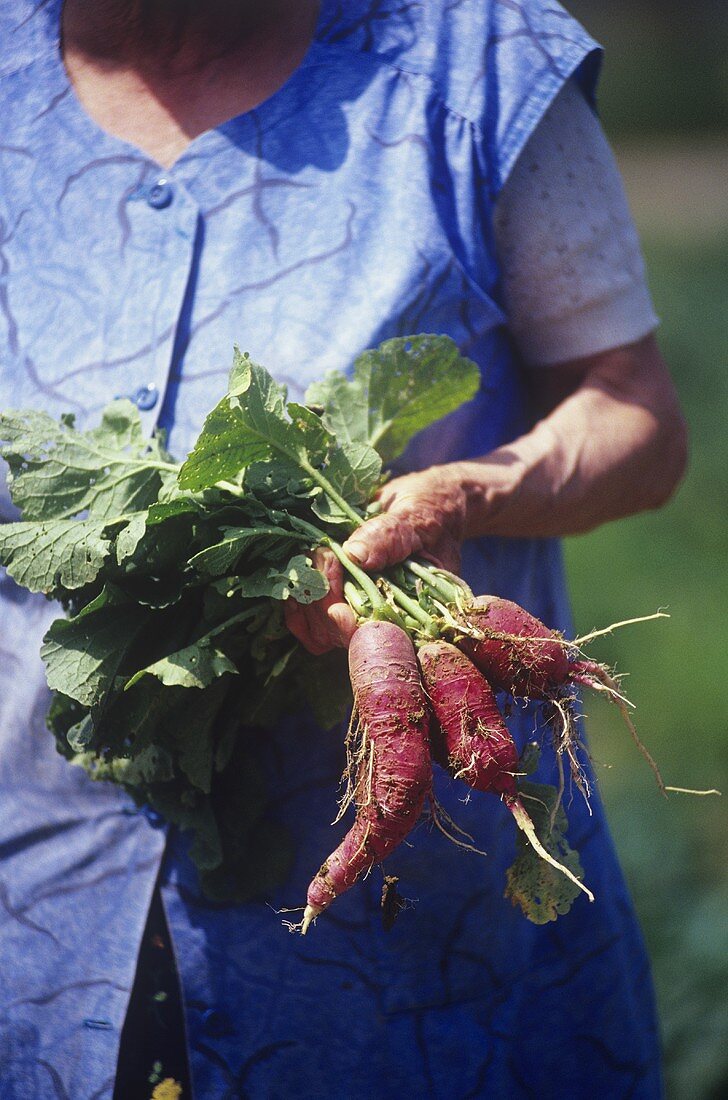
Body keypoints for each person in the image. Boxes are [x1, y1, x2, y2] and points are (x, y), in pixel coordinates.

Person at [0, 0, 687, 1096]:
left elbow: (636, 415)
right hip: (35, 903)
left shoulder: (481, 64)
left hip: (419, 959)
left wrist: (472, 492)